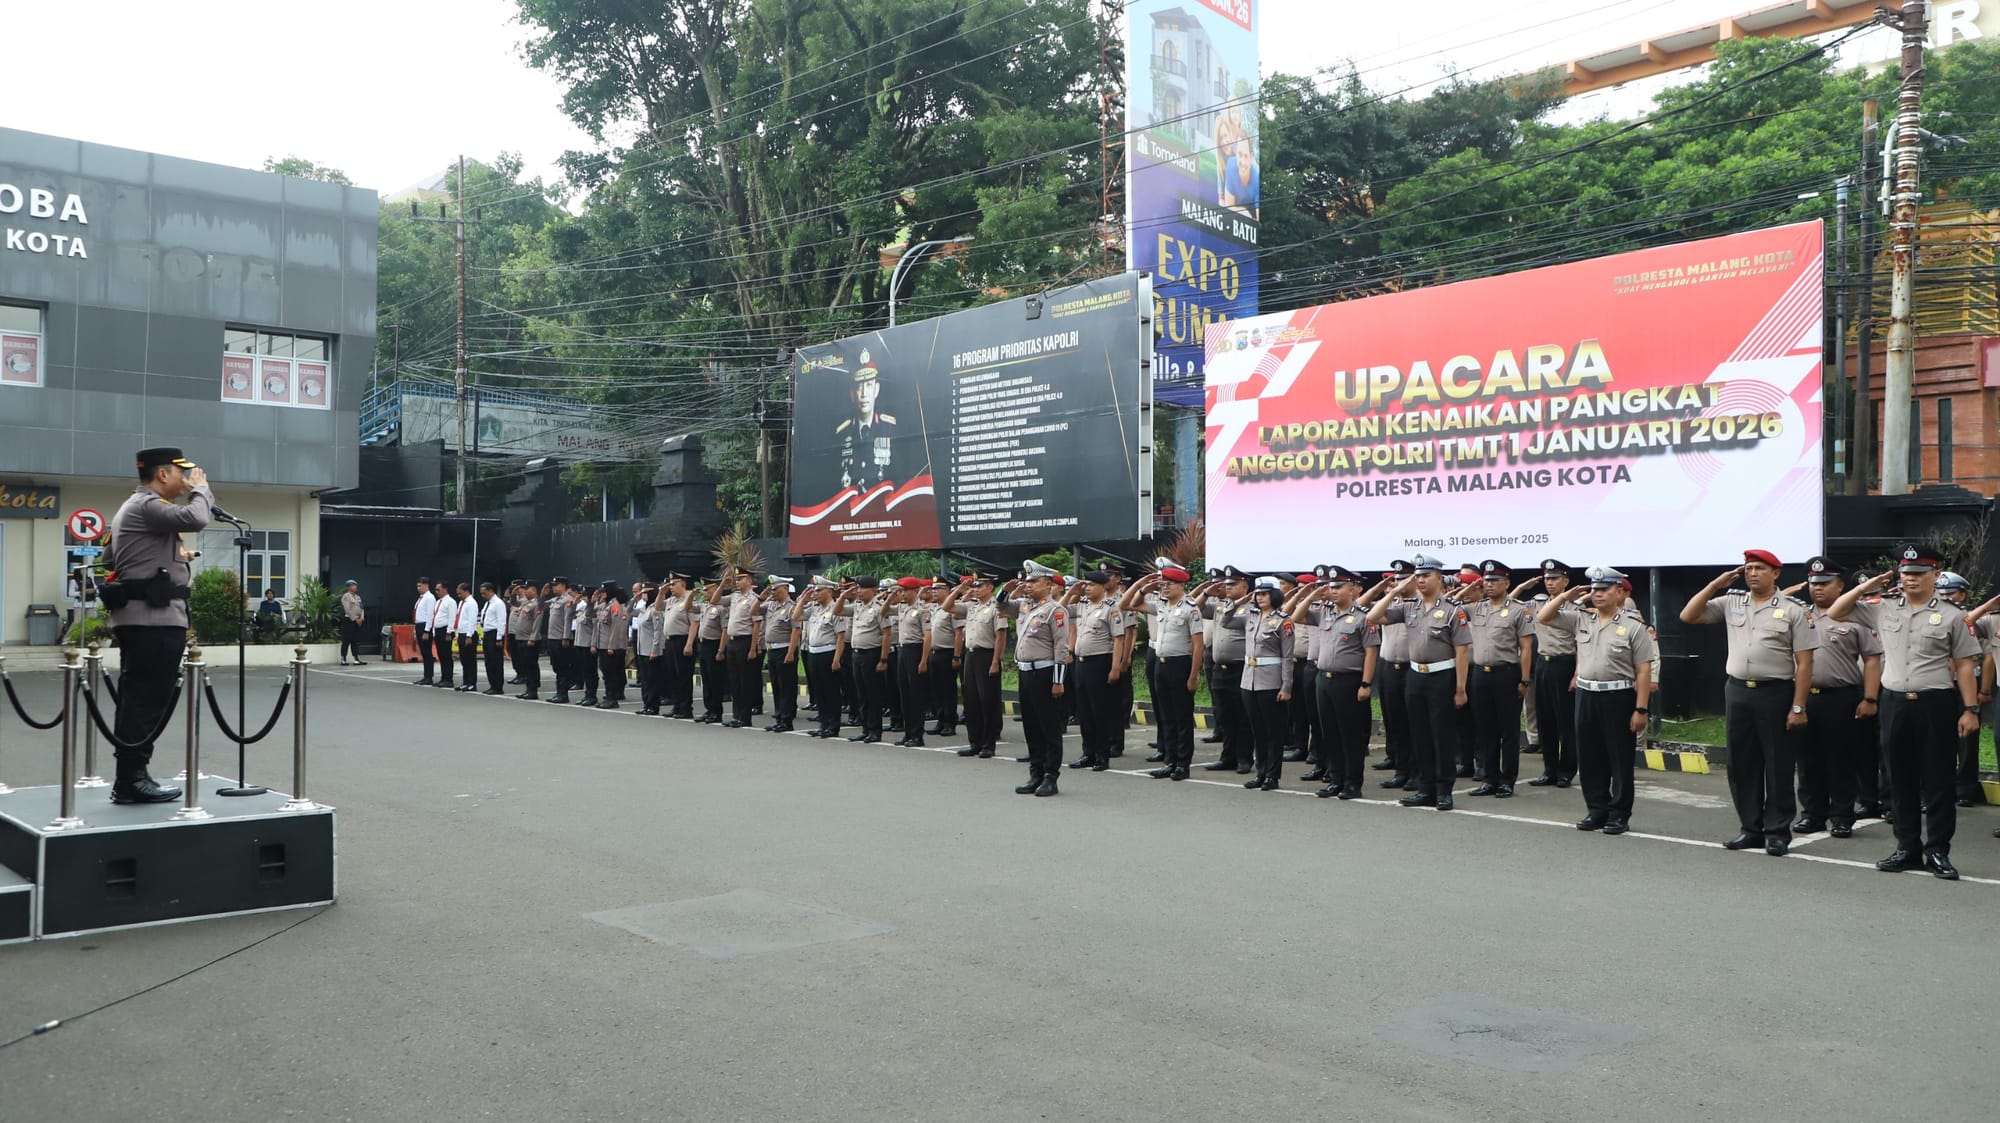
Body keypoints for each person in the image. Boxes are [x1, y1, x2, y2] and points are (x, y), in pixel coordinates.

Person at [1827, 545, 1982, 881]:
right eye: (1905, 573)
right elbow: (1836, 611)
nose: (1910, 579)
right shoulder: (1882, 609)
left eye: (1918, 573)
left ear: (1935, 576)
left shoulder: (1954, 615)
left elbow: (1966, 666)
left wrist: (1970, 709)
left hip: (1936, 703)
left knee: (1939, 780)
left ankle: (1938, 850)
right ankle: (1907, 847)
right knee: (1899, 779)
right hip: (1895, 702)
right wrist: (1866, 586)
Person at [1681, 549, 1817, 856]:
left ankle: (1778, 831)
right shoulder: (1732, 602)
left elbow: (1805, 663)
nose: (1752, 573)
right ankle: (1751, 828)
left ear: (1776, 573)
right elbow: (1689, 615)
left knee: (1777, 763)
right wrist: (1714, 586)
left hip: (1776, 692)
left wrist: (1798, 706)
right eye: (1748, 568)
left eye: (1759, 568)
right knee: (1741, 764)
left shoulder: (1795, 610)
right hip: (1738, 690)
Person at [101, 446, 211, 804]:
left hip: (145, 618)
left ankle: (132, 776)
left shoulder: (134, 508)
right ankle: (132, 779)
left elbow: (111, 557)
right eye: (182, 473)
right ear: (162, 474)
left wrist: (172, 556)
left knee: (140, 697)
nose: (186, 478)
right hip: (152, 619)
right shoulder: (148, 506)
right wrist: (201, 490)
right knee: (146, 699)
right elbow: (196, 518)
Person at [1539, 567, 1654, 834]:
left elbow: (1644, 670)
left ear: (1619, 592)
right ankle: (1596, 809)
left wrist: (1641, 708)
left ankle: (1619, 814)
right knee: (1589, 757)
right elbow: (1545, 617)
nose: (1598, 594)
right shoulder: (1582, 620)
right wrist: (1567, 595)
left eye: (1604, 590)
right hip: (1586, 694)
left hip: (1618, 696)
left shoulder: (1633, 626)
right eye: (1594, 589)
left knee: (1619, 758)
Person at [1787, 558, 1882, 839]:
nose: (1818, 588)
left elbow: (1872, 660)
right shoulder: (1799, 615)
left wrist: (1869, 698)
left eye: (1825, 583)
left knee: (1840, 759)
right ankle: (1813, 814)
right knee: (1807, 759)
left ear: (1840, 586)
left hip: (1840, 697)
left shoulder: (1855, 617)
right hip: (1805, 697)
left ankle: (1842, 815)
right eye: (1814, 583)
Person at [1368, 556, 1471, 810]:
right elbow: (1372, 616)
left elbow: (1462, 652)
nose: (1421, 580)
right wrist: (1398, 591)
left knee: (1442, 735)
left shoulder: (1452, 610)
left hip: (1442, 677)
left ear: (1439, 577)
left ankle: (1444, 790)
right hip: (1415, 676)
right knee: (1420, 734)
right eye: (1418, 576)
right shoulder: (1409, 606)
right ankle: (1425, 788)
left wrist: (1460, 688)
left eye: (1426, 575)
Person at [1293, 566, 1380, 800]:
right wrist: (1311, 593)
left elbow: (1371, 651)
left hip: (1349, 681)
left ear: (1352, 589)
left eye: (1338, 587)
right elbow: (1295, 616)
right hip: (1324, 679)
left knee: (1350, 735)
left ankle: (1352, 783)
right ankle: (1335, 779)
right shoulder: (1325, 612)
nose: (1333, 591)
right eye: (1330, 587)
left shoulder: (1364, 616)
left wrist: (1366, 683)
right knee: (1329, 732)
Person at [1123, 567, 1202, 779]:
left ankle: (1182, 765)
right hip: (1161, 664)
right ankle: (1170, 760)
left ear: (1182, 585)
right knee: (1166, 716)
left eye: (1170, 584)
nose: (1165, 588)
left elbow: (1198, 645)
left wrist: (1193, 676)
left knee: (1181, 717)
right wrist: (1142, 589)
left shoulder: (1191, 609)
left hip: (1180, 665)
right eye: (1163, 584)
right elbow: (1130, 604)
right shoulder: (1162, 605)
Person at [1218, 576, 1295, 791]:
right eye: (1258, 594)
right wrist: (1240, 602)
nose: (1260, 598)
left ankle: (1272, 775)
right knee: (1257, 730)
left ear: (1274, 596)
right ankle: (1261, 773)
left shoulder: (1283, 620)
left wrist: (1286, 686)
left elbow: (1287, 657)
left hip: (1271, 681)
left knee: (1273, 732)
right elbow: (1226, 621)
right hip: (1249, 680)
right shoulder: (1250, 616)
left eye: (1264, 594)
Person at [1465, 560, 1534, 798]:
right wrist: (1470, 588)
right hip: (1479, 675)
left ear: (1507, 583)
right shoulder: (1477, 607)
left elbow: (1526, 648)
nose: (1490, 585)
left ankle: (1507, 780)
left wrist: (1524, 680)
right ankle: (1489, 778)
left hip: (1506, 674)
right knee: (1485, 730)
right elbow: (1451, 605)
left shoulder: (1518, 609)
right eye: (1486, 580)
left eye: (1495, 581)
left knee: (1509, 731)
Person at [1004, 560, 1071, 796]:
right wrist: (1006, 590)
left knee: (1048, 727)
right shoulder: (1024, 606)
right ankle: (1036, 772)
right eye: (1027, 581)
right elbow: (1001, 608)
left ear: (1048, 584)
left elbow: (1062, 648)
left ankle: (1051, 776)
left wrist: (1058, 680)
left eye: (1034, 581)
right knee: (1031, 726)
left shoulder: (1055, 610)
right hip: (1025, 672)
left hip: (1045, 673)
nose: (1028, 585)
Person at [1523, 560, 1580, 787]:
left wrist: (1577, 674)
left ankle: (1566, 770)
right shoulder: (1537, 603)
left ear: (1565, 581)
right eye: (1547, 579)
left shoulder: (1576, 608)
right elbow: (1510, 601)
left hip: (1564, 664)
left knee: (1565, 721)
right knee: (1545, 720)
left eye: (1555, 579)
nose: (1550, 583)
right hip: (1543, 664)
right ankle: (1549, 769)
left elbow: (1580, 645)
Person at [1064, 570, 1127, 772]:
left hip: (1100, 662)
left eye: (1091, 585)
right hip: (1081, 664)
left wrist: (1115, 667)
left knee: (1100, 711)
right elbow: (1058, 609)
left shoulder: (1111, 608)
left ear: (1102, 587)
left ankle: (1102, 755)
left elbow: (1119, 638)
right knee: (1084, 711)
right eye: (1086, 585)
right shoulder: (1082, 605)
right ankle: (1088, 753)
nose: (1087, 588)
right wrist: (1072, 592)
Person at [947, 574, 1008, 758]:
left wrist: (996, 661)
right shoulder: (971, 605)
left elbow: (1001, 636)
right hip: (971, 655)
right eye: (974, 586)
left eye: (979, 586)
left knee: (987, 701)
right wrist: (959, 590)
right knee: (971, 701)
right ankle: (975, 742)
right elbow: (947, 607)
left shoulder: (996, 607)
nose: (975, 589)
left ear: (990, 588)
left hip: (987, 655)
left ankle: (989, 744)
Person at [1200, 567, 1254, 774]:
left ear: (1244, 586)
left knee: (1242, 716)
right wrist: (1207, 592)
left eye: (1232, 584)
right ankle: (1228, 756)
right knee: (1225, 715)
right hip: (1219, 668)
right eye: (1225, 584)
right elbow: (1196, 607)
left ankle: (1244, 757)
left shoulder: (1251, 608)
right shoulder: (1220, 605)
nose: (1227, 587)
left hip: (1240, 667)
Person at [1374, 560, 1418, 789]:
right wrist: (1391, 594)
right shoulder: (1390, 603)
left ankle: (1417, 772)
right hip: (1390, 668)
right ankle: (1401, 770)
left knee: (1415, 724)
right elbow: (1370, 614)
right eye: (1395, 580)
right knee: (1396, 723)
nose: (1397, 584)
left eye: (1402, 579)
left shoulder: (1421, 603)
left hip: (1413, 668)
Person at [837, 576, 889, 742]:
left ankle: (875, 730)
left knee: (873, 694)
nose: (858, 591)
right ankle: (865, 728)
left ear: (873, 589)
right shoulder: (858, 606)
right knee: (861, 693)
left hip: (871, 654)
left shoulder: (879, 607)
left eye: (861, 588)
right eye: (857, 588)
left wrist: (883, 659)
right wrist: (843, 596)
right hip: (857, 654)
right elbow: (837, 611)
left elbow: (887, 634)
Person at [836, 352, 898, 489]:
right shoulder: (842, 432)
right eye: (859, 387)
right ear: (852, 394)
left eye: (869, 385)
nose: (864, 393)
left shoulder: (890, 428)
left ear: (876, 390)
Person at [800, 576, 849, 738]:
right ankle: (823, 724)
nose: (816, 593)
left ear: (829, 592)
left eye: (819, 590)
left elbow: (841, 636)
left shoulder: (835, 610)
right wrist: (802, 599)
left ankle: (833, 725)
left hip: (828, 653)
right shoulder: (815, 609)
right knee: (819, 690)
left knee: (831, 691)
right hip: (814, 652)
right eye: (815, 590)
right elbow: (796, 616)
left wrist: (836, 659)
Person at [889, 576, 930, 746]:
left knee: (916, 695)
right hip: (902, 650)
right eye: (900, 590)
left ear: (914, 591)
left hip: (915, 650)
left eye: (904, 590)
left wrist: (923, 660)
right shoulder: (901, 608)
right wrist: (892, 597)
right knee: (904, 693)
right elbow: (883, 611)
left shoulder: (923, 610)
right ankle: (908, 733)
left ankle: (917, 735)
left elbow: (928, 636)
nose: (902, 594)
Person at [721, 570, 762, 728]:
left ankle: (745, 717)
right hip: (732, 642)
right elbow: (715, 600)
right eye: (736, 579)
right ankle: (736, 715)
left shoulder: (753, 599)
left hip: (745, 641)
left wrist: (753, 647)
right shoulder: (735, 597)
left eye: (740, 579)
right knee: (734, 681)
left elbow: (757, 625)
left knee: (745, 681)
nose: (737, 582)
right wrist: (723, 586)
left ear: (749, 581)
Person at [924, 580, 961, 737]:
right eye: (932, 589)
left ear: (948, 590)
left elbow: (959, 634)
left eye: (938, 589)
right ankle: (940, 719)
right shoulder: (934, 609)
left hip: (947, 653)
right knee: (936, 690)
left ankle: (950, 722)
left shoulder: (953, 609)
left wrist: (956, 656)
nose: (934, 592)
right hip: (934, 652)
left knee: (948, 690)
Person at [763, 576, 799, 732]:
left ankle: (787, 720)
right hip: (772, 649)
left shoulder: (792, 607)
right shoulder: (771, 605)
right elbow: (753, 610)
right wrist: (761, 596)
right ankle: (779, 717)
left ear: (785, 588)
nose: (773, 592)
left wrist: (791, 652)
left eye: (775, 589)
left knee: (787, 686)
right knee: (776, 686)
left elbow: (796, 630)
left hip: (785, 649)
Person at [661, 575, 697, 718]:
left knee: (683, 676)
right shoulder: (671, 600)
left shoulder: (689, 599)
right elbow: (658, 607)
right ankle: (676, 706)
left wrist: (689, 644)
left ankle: (685, 708)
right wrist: (661, 593)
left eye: (673, 584)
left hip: (682, 640)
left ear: (682, 584)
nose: (671, 587)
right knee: (673, 675)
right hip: (670, 641)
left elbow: (694, 623)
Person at [595, 583, 629, 709]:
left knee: (611, 673)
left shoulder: (614, 606)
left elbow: (615, 628)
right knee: (605, 672)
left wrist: (611, 646)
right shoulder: (604, 606)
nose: (601, 593)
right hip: (602, 644)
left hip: (609, 646)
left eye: (604, 591)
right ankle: (608, 695)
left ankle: (612, 698)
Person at [633, 582, 665, 715]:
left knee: (652, 680)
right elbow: (629, 612)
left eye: (646, 593)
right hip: (642, 649)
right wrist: (635, 599)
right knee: (645, 679)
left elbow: (658, 631)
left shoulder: (655, 610)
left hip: (650, 650)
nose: (644, 595)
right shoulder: (643, 609)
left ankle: (653, 705)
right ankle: (646, 703)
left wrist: (655, 649)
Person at [511, 581, 545, 700]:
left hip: (529, 640)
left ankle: (533, 690)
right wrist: (513, 594)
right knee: (525, 665)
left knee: (531, 665)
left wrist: (533, 638)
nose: (525, 591)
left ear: (534, 590)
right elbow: (514, 603)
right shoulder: (525, 602)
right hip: (521, 638)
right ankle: (528, 689)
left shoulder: (537, 604)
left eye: (527, 589)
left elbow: (537, 622)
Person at [544, 577, 574, 704]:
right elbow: (540, 606)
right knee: (556, 666)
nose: (553, 587)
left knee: (562, 667)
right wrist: (542, 595)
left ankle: (563, 694)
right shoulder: (555, 600)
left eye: (556, 585)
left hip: (561, 638)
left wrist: (566, 637)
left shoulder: (567, 600)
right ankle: (559, 692)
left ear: (563, 585)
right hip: (552, 637)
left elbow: (568, 619)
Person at [476, 582, 508, 695]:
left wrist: (499, 638)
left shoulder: (498, 603)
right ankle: (492, 685)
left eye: (484, 593)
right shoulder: (488, 603)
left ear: (490, 591)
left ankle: (498, 686)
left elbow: (501, 621)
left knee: (496, 662)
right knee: (488, 661)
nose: (482, 595)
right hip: (487, 633)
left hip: (495, 634)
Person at [430, 580, 458, 689]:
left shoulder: (450, 602)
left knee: (446, 655)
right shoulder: (438, 602)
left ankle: (448, 679)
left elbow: (452, 618)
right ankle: (443, 677)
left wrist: (449, 632)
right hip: (438, 630)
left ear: (445, 589)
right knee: (441, 655)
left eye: (438, 589)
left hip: (445, 630)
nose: (437, 592)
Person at [452, 581, 479, 692]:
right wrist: (458, 634)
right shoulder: (461, 603)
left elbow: (472, 621)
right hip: (462, 633)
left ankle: (472, 683)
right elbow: (460, 620)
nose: (459, 596)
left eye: (460, 593)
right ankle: (465, 681)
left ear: (466, 591)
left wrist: (469, 636)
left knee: (470, 660)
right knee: (464, 660)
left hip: (469, 634)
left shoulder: (471, 603)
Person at [411, 578, 436, 685]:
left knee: (427, 652)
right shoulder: (421, 598)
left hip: (425, 626)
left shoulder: (430, 598)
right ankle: (426, 675)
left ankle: (429, 676)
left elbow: (430, 615)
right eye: (417, 586)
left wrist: (427, 630)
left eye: (420, 586)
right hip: (419, 625)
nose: (418, 588)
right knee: (424, 653)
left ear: (426, 585)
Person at [338, 579, 365, 665]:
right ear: (348, 587)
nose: (355, 587)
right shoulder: (346, 597)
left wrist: (361, 618)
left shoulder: (358, 597)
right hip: (348, 621)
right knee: (346, 640)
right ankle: (343, 659)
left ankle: (356, 658)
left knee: (355, 640)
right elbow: (347, 610)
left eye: (355, 585)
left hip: (357, 621)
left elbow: (362, 608)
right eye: (353, 585)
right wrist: (355, 619)